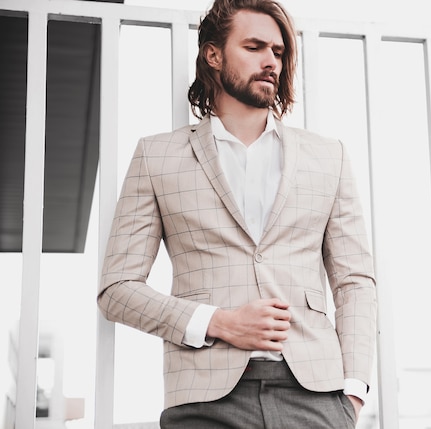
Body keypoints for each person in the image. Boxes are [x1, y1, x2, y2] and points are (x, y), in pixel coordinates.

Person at [98, 0, 377, 427]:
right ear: (213, 55)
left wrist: (353, 391)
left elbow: (355, 279)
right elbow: (116, 289)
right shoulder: (157, 156)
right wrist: (219, 322)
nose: (270, 62)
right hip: (204, 399)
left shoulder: (329, 156)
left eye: (279, 52)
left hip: (316, 397)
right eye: (254, 47)